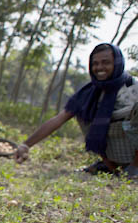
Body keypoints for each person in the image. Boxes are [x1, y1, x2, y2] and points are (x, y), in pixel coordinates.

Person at [15, 43, 138, 178]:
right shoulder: (89, 94)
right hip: (116, 155)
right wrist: (26, 145)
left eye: (106, 62)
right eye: (95, 63)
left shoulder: (133, 87)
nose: (99, 67)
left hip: (133, 154)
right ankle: (113, 169)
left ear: (118, 63)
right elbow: (59, 119)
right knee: (83, 112)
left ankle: (133, 169)